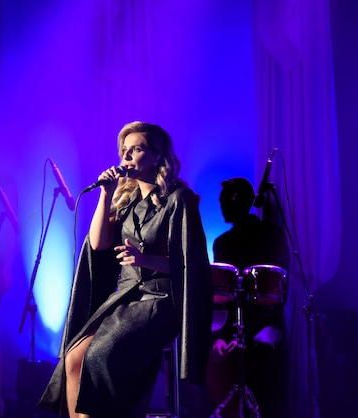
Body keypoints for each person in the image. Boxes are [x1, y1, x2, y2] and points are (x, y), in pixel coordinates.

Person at [38, 121, 213, 418]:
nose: (128, 156)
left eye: (138, 149)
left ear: (158, 155)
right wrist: (107, 194)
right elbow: (98, 243)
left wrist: (145, 260)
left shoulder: (178, 199)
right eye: (124, 150)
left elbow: (192, 266)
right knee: (73, 357)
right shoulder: (128, 200)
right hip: (128, 296)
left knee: (99, 357)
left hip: (162, 299)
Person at [207, 177, 290, 418]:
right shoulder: (222, 243)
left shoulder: (271, 235)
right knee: (212, 356)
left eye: (225, 201)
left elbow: (277, 292)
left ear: (240, 202)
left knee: (262, 359)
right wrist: (223, 337)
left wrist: (257, 332)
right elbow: (224, 296)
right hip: (234, 323)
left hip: (267, 320)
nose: (221, 206)